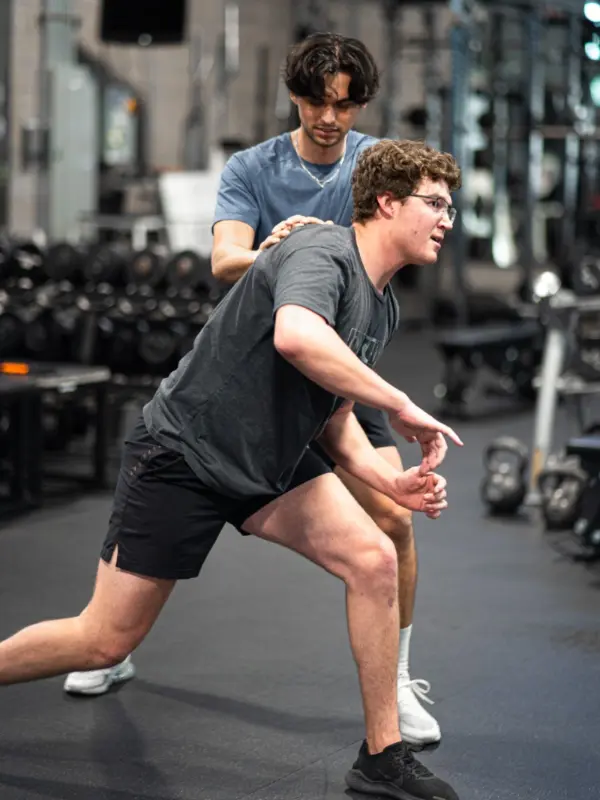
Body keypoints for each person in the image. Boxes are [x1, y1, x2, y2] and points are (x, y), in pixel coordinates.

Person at [0, 138, 462, 800]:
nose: (448, 218)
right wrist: (400, 402)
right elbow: (296, 336)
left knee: (374, 558)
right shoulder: (320, 250)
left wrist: (389, 482)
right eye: (435, 203)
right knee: (103, 642)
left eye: (450, 205)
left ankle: (380, 758)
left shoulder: (380, 304)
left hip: (268, 462)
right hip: (185, 453)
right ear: (387, 203)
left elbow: (329, 414)